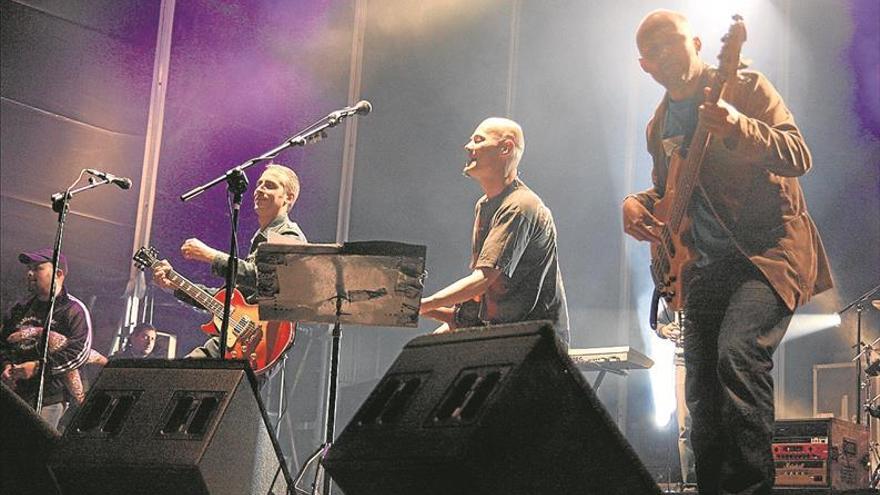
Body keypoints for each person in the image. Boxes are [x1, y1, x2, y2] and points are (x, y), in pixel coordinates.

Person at [623, 10, 833, 494]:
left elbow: (798, 154)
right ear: (644, 66)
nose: (665, 55)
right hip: (704, 268)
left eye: (672, 41)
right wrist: (634, 203)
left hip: (768, 254)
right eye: (652, 51)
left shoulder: (744, 86)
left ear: (697, 42)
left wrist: (738, 126)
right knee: (700, 390)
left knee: (737, 356)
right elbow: (669, 191)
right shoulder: (658, 126)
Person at [419, 117, 569, 346]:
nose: (468, 147)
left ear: (506, 148)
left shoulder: (520, 206)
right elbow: (480, 298)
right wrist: (417, 310)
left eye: (478, 140)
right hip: (506, 338)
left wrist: (423, 305)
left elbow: (482, 281)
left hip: (537, 346)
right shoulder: (485, 206)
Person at [152, 163, 306, 358]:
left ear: (289, 197)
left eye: (270, 185)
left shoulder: (289, 234)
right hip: (237, 337)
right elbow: (222, 299)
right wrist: (175, 286)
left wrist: (210, 255)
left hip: (263, 340)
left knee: (184, 376)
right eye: (259, 184)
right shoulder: (262, 238)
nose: (259, 189)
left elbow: (268, 279)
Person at [0, 248, 93, 429]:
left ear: (58, 274)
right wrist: (6, 365)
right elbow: (3, 342)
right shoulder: (20, 307)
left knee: (32, 452)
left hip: (48, 399)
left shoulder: (73, 309)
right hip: (13, 393)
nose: (29, 273)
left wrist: (37, 368)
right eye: (29, 268)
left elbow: (78, 353)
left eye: (37, 268)